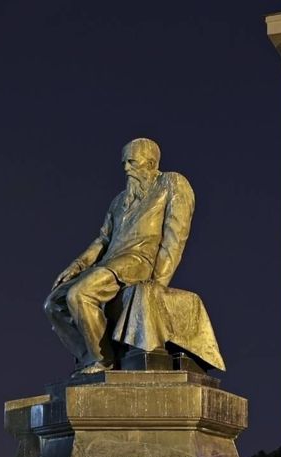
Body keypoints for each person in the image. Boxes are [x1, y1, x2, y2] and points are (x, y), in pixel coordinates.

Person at [43, 138, 195, 374]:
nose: (126, 168)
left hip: (138, 262)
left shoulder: (171, 184)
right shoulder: (118, 201)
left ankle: (102, 360)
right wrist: (77, 265)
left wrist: (159, 283)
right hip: (108, 264)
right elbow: (102, 239)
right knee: (53, 304)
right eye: (124, 162)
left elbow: (176, 235)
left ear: (151, 163)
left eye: (132, 162)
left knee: (78, 294)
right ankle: (90, 355)